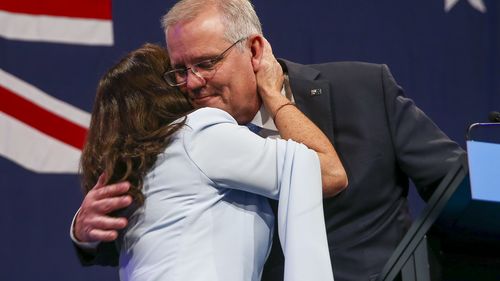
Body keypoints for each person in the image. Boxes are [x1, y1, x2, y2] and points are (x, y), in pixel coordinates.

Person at [71, 1, 466, 280]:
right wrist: (83, 231)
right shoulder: (189, 132)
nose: (192, 83)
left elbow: (457, 182)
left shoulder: (362, 89)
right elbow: (154, 230)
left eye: (207, 63)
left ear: (255, 49)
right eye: (180, 69)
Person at [77, 42, 347, 281]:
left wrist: (79, 230)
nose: (191, 82)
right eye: (177, 74)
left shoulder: (136, 169)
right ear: (163, 91)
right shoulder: (197, 134)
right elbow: (323, 169)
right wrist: (273, 94)